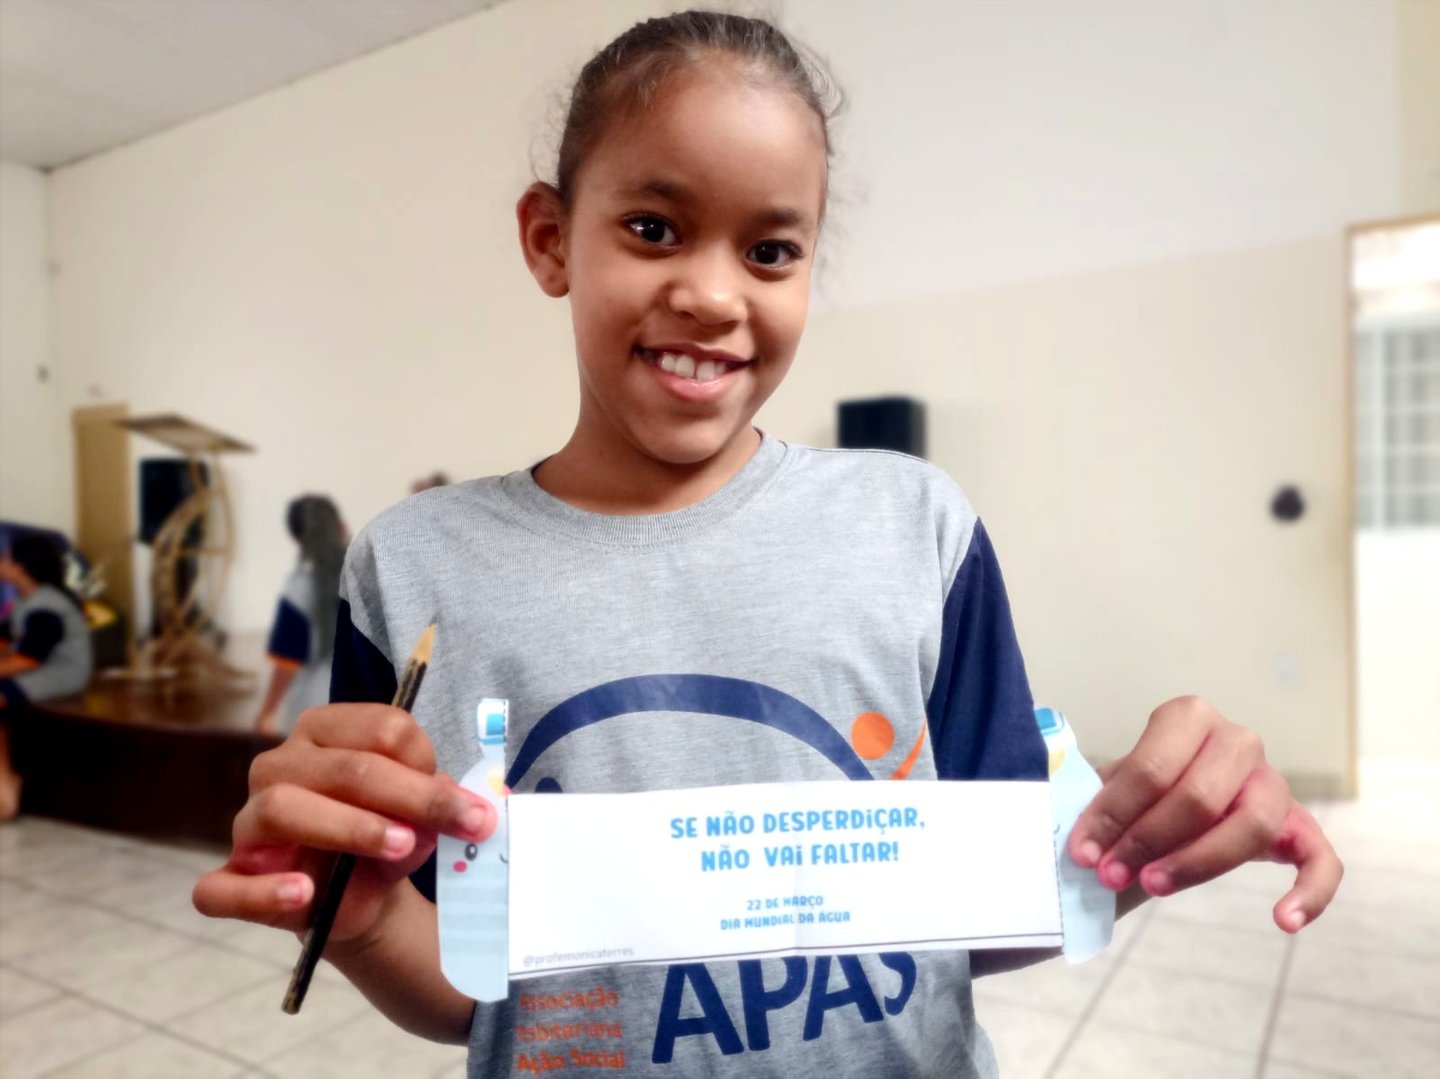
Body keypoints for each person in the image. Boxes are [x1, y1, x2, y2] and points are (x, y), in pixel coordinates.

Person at [194, 12, 1342, 1076]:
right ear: (550, 239)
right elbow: (469, 987)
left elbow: (990, 901)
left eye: (771, 251)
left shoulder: (916, 525)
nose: (711, 293)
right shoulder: (412, 569)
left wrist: (1162, 827)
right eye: (654, 228)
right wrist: (366, 920)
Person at [0, 533, 94, 819]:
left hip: (60, 672)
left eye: (6, 559)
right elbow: (5, 639)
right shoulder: (25, 600)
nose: (1, 563)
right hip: (36, 666)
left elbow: (28, 659)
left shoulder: (47, 606)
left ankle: (5, 787)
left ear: (20, 567)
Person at [255, 495, 347, 735]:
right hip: (366, 709)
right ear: (341, 527)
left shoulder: (300, 588)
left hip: (313, 708)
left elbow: (287, 660)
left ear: (298, 538)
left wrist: (266, 712)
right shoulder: (366, 576)